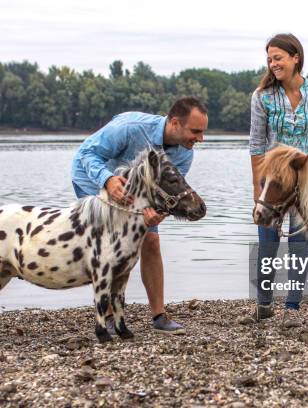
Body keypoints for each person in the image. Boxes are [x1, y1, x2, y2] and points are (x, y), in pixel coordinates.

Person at [71, 97, 208, 334]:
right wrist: (108, 180)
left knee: (151, 241)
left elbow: (169, 195)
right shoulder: (130, 128)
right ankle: (109, 316)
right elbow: (87, 153)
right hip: (92, 179)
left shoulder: (185, 153)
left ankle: (159, 316)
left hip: (138, 194)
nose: (200, 138)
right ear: (175, 123)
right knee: (109, 245)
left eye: (203, 132)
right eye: (195, 131)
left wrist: (158, 214)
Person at [249, 33, 308, 327]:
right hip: (272, 182)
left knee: (300, 243)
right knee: (268, 243)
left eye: (278, 58)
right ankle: (263, 305)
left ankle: (293, 308)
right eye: (270, 59)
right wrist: (256, 187)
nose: (273, 64)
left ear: (295, 57)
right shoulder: (262, 97)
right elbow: (256, 146)